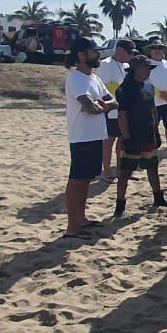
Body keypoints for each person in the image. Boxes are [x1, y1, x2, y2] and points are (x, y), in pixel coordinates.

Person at [62, 38, 115, 237]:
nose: (98, 55)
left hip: (95, 136)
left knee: (86, 180)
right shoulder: (76, 78)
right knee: (76, 180)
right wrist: (103, 106)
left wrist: (103, 105)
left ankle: (81, 218)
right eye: (94, 51)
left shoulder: (94, 78)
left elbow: (111, 100)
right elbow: (89, 107)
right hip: (81, 136)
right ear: (82, 55)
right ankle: (72, 225)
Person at [114, 55, 167, 216]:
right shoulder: (126, 88)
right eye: (145, 68)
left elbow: (153, 110)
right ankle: (120, 206)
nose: (148, 71)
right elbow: (122, 114)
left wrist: (156, 131)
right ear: (135, 69)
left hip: (148, 134)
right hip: (133, 134)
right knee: (125, 172)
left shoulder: (149, 86)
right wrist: (126, 137)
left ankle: (158, 197)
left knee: (153, 166)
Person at [97, 40, 133, 180]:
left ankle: (119, 169)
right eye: (127, 53)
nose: (129, 57)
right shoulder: (106, 64)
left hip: (123, 109)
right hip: (111, 108)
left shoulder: (126, 65)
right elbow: (103, 87)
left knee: (122, 139)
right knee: (109, 141)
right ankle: (106, 171)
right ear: (118, 50)